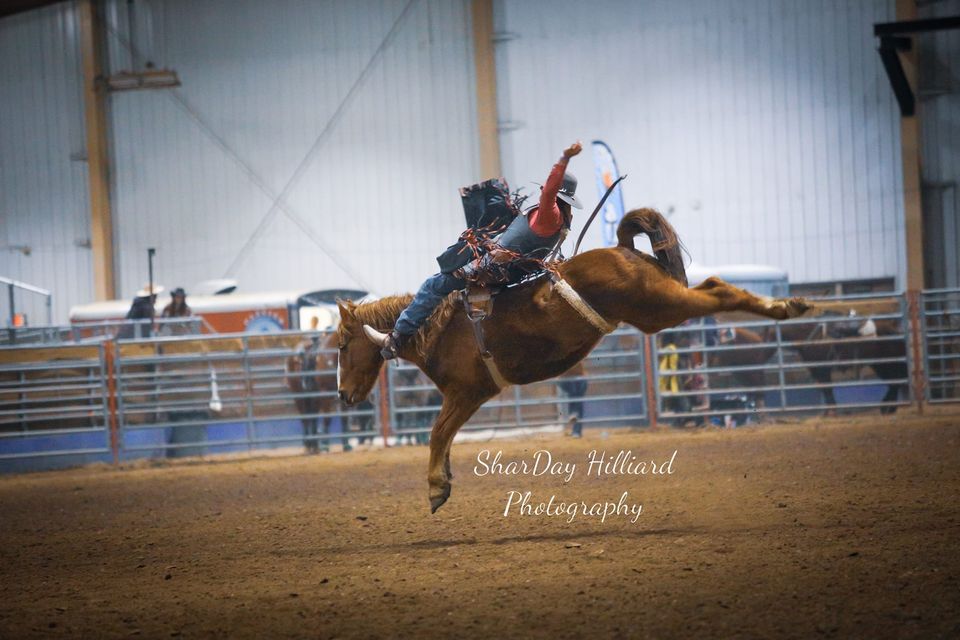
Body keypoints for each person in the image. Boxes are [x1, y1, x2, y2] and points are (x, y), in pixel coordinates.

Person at [364, 141, 584, 358]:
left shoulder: (550, 214)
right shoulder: (558, 221)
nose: (543, 190)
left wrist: (564, 159)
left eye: (547, 188)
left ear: (554, 192)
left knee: (435, 285)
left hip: (495, 267)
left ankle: (397, 338)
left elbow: (549, 191)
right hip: (510, 267)